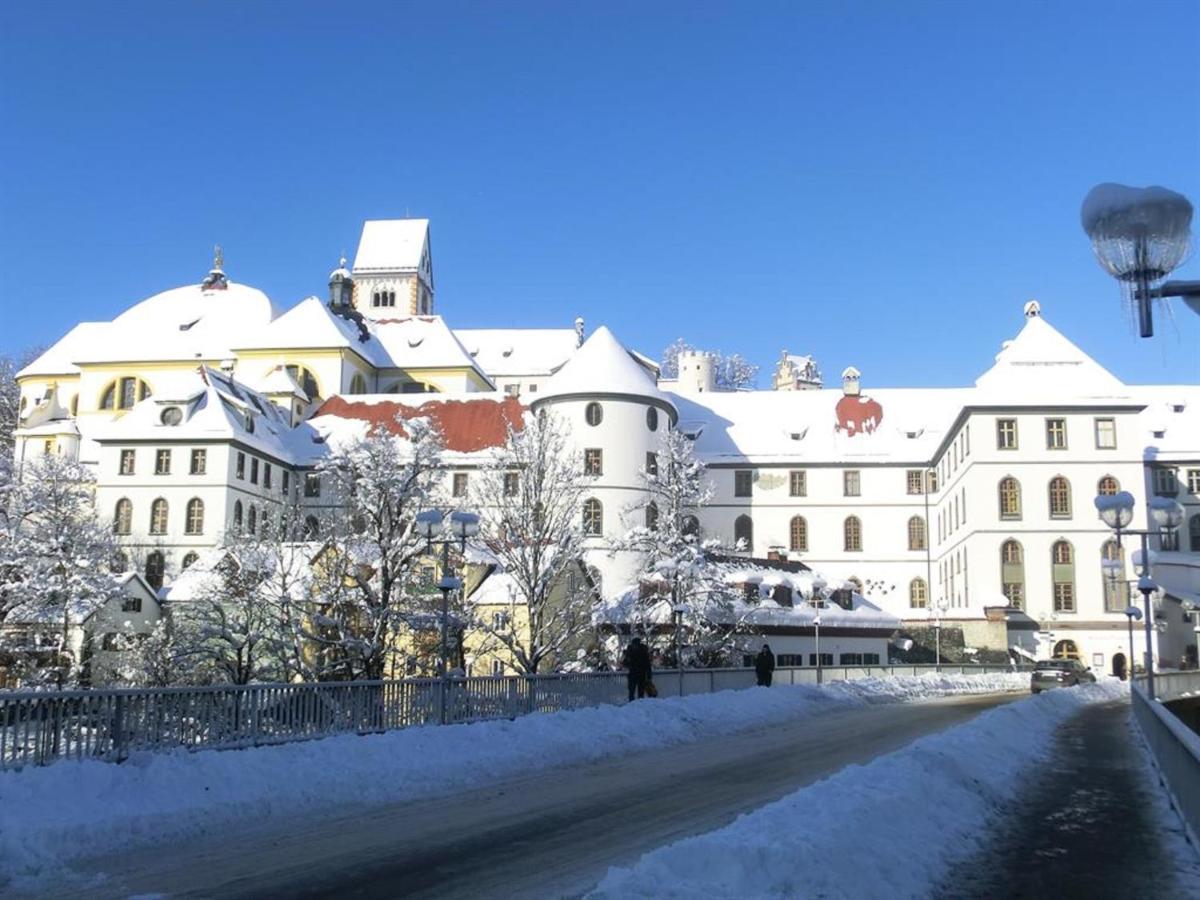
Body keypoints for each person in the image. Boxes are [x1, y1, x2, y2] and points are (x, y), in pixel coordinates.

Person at [622, 637, 652, 701]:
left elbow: (625, 663)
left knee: (632, 692)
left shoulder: (630, 651)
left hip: (633, 674)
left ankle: (632, 705)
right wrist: (649, 676)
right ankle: (639, 705)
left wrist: (628, 663)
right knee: (640, 692)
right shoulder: (643, 651)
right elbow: (648, 665)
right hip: (641, 674)